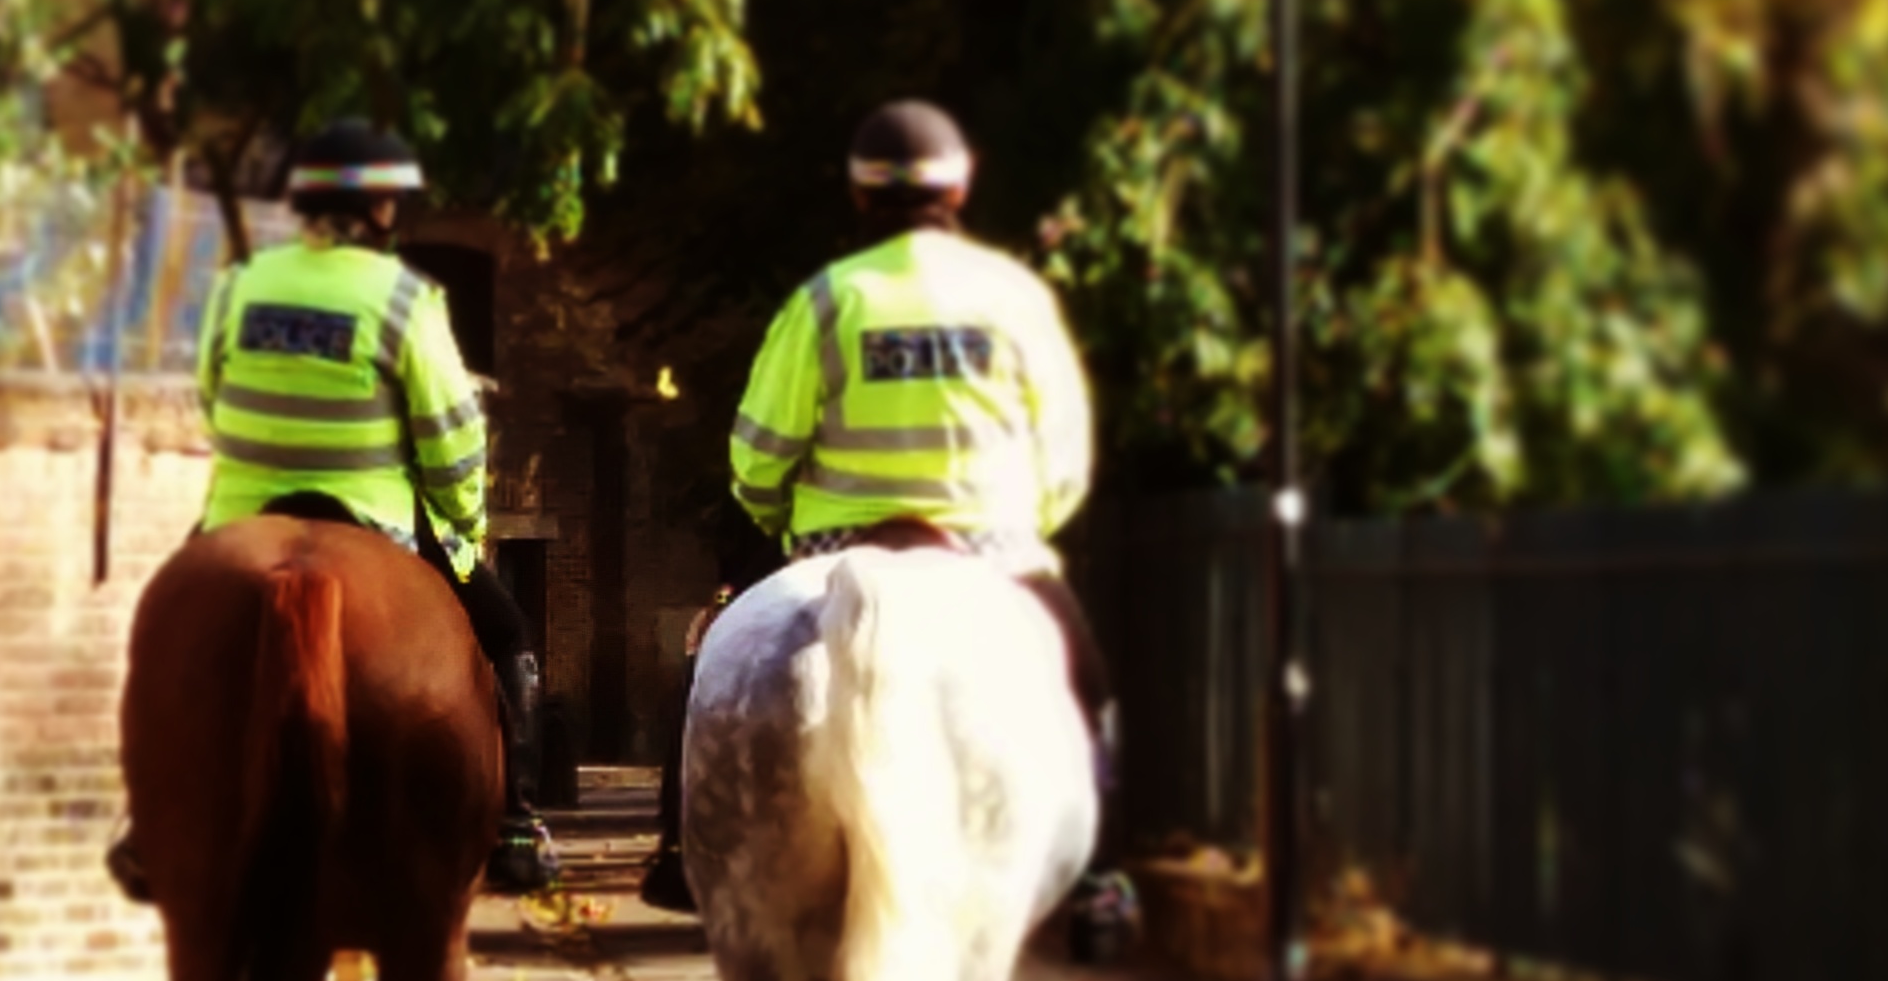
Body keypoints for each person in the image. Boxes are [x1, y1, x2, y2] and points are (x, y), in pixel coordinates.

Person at [636, 98, 1135, 938]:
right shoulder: (1013, 300)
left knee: (710, 673)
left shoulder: (829, 301)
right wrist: (1024, 526)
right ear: (961, 188)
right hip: (992, 548)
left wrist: (779, 521)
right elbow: (1064, 452)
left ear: (863, 196)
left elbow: (760, 449)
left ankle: (679, 853)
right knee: (1088, 685)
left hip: (836, 543)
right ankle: (1098, 879)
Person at [116, 118, 559, 901]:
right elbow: (452, 433)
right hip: (376, 522)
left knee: (162, 626)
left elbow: (213, 399)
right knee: (507, 634)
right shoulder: (404, 298)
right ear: (383, 210)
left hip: (242, 516)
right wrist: (460, 524)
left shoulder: (241, 284)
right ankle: (517, 826)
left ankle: (147, 823)